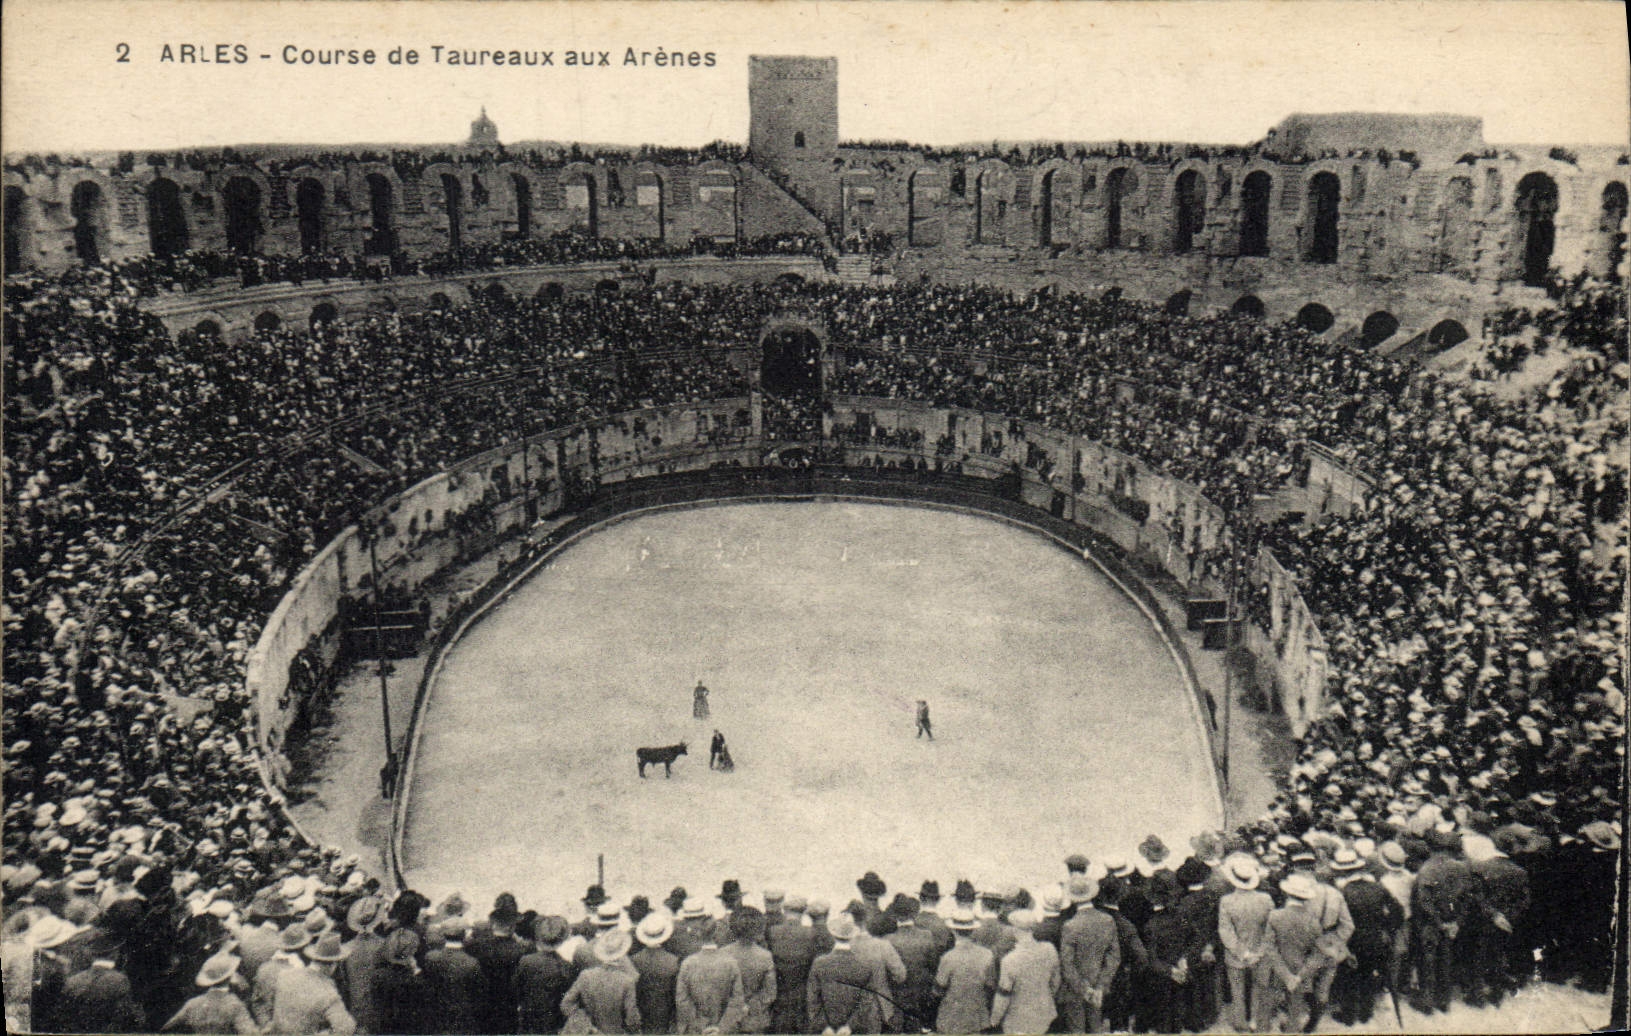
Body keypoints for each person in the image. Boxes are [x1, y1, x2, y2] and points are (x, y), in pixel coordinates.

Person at [562, 930, 641, 1035]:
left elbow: (566, 1004)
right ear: (622, 953)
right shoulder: (627, 981)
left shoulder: (585, 975)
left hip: (590, 1032)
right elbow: (632, 1019)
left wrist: (585, 1024)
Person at [933, 908, 995, 1035]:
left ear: (953, 931)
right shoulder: (987, 954)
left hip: (951, 1019)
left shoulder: (948, 957)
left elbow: (938, 990)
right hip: (977, 1017)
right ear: (973, 930)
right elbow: (990, 986)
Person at [161, 953, 257, 1034]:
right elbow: (250, 1032)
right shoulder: (234, 1004)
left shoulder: (192, 1003)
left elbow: (167, 1027)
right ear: (230, 977)